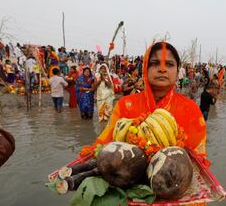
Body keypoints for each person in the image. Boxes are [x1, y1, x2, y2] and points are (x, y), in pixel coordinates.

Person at [81, 42, 207, 170]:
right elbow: (107, 143)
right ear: (145, 68)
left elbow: (197, 159)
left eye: (169, 64)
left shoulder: (190, 108)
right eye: (154, 63)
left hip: (174, 180)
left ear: (177, 71)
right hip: (126, 178)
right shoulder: (125, 105)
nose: (162, 69)